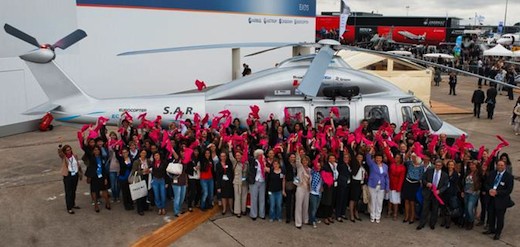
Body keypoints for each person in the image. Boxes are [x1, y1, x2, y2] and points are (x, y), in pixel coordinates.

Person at [482, 160, 514, 240]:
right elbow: (486, 184)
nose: (500, 167)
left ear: (505, 166)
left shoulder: (509, 177)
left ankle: (498, 232)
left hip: (501, 200)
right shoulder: (492, 173)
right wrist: (489, 190)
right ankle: (491, 229)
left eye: (502, 165)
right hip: (491, 199)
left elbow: (509, 190)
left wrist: (497, 192)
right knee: (491, 215)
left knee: (500, 218)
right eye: (498, 165)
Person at [417, 159, 448, 230]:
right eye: (436, 165)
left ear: (441, 166)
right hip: (428, 192)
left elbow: (445, 185)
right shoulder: (429, 171)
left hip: (437, 194)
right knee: (425, 208)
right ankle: (422, 223)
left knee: (435, 209)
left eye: (439, 165)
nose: (437, 166)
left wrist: (439, 191)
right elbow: (423, 178)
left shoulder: (444, 175)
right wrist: (426, 183)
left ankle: (432, 223)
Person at [366, 147, 390, 223]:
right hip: (372, 185)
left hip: (382, 186)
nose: (378, 159)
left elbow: (387, 177)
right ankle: (372, 216)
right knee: (373, 201)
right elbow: (368, 158)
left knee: (380, 201)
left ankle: (378, 216)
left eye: (379, 158)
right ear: (375, 158)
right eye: (377, 158)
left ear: (382, 159)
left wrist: (387, 187)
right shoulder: (372, 164)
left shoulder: (385, 166)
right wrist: (371, 150)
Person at [58, 144, 83, 214]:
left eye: (70, 149)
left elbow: (77, 164)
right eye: (67, 150)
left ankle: (73, 204)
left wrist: (80, 172)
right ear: (65, 151)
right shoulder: (64, 157)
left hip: (75, 174)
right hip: (68, 175)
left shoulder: (74, 156)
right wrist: (59, 148)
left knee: (73, 190)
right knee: (68, 191)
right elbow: (60, 153)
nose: (69, 151)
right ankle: (69, 207)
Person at [85, 146, 111, 213]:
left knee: (104, 190)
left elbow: (104, 169)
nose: (97, 151)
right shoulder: (91, 158)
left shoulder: (102, 158)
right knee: (94, 191)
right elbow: (89, 168)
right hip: (94, 177)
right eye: (95, 150)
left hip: (101, 177)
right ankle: (96, 205)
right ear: (93, 151)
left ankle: (107, 203)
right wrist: (89, 177)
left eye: (98, 150)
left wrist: (105, 178)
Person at [384, 144, 405, 221]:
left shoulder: (402, 167)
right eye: (396, 157)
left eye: (398, 158)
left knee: (395, 200)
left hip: (396, 185)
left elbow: (401, 178)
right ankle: (389, 211)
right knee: (389, 199)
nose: (396, 159)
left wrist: (399, 188)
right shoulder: (392, 163)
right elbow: (388, 154)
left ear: (400, 159)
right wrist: (385, 146)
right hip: (389, 183)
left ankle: (395, 214)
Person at [402, 153, 423, 224]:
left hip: (415, 184)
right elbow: (405, 158)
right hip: (408, 182)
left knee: (412, 201)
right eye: (412, 157)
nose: (413, 158)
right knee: (406, 200)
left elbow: (421, 175)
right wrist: (411, 149)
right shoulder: (409, 163)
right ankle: (406, 216)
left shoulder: (421, 166)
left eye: (414, 157)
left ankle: (412, 216)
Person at [229, 143, 248, 217]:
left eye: (239, 155)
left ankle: (243, 210)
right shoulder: (234, 162)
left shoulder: (246, 163)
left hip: (244, 182)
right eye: (236, 155)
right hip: (236, 182)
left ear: (242, 155)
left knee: (244, 196)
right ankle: (238, 211)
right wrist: (230, 148)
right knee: (237, 197)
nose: (237, 156)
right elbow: (230, 157)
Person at [293, 146, 310, 228]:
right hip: (300, 188)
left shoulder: (310, 170)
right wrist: (297, 150)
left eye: (306, 160)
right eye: (303, 160)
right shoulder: (300, 167)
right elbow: (297, 160)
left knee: (306, 205)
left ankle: (305, 219)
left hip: (307, 188)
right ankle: (298, 222)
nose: (305, 162)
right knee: (299, 205)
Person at [440, 160, 460, 229]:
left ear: (454, 166)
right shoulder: (444, 172)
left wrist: (454, 193)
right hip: (444, 192)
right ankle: (443, 220)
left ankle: (448, 222)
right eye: (449, 165)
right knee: (443, 207)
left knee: (449, 208)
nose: (450, 166)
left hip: (451, 192)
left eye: (452, 165)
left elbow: (456, 184)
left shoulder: (455, 174)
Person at [462, 160, 481, 230]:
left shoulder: (479, 173)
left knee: (470, 207)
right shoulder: (467, 172)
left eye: (473, 165)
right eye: (470, 165)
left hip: (474, 193)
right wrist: (462, 191)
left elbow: (482, 180)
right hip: (466, 192)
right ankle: (467, 221)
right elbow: (463, 182)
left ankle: (471, 221)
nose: (472, 166)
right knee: (466, 207)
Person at [248, 149, 267, 220]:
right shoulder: (253, 161)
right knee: (254, 198)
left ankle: (262, 214)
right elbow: (248, 158)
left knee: (262, 199)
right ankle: (253, 214)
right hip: (255, 181)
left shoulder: (264, 162)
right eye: (261, 155)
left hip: (262, 181)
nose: (262, 156)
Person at [131, 149, 151, 215]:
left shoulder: (148, 160)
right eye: (142, 153)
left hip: (147, 177)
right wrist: (142, 171)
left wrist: (149, 170)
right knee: (140, 194)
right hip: (139, 178)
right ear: (140, 154)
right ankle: (140, 209)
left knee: (145, 193)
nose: (143, 154)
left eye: (145, 153)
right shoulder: (136, 162)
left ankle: (145, 206)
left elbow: (151, 167)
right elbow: (134, 172)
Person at [349, 153, 366, 222]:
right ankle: (351, 215)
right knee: (353, 199)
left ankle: (356, 212)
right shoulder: (354, 164)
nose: (359, 158)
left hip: (360, 183)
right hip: (354, 182)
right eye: (358, 157)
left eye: (361, 157)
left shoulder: (363, 165)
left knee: (357, 199)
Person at [309, 158, 322, 228]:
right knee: (313, 208)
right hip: (313, 192)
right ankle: (312, 221)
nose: (318, 167)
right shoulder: (313, 172)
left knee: (316, 207)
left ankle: (314, 218)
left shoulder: (322, 173)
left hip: (319, 193)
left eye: (319, 166)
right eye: (317, 166)